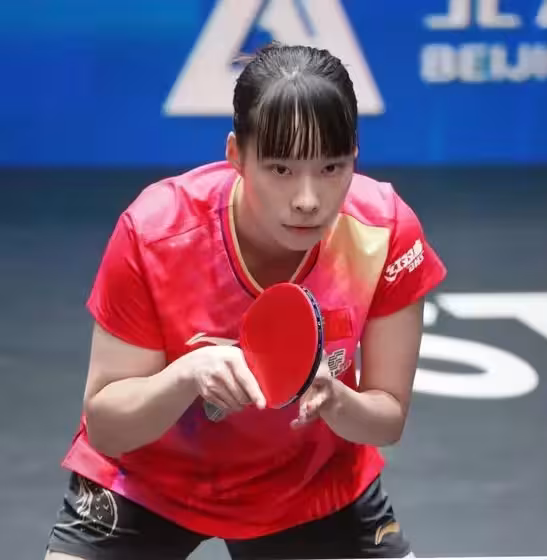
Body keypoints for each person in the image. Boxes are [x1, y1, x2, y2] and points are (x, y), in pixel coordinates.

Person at [44, 43, 447, 560]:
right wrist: (187, 375)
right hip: (146, 484)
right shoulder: (156, 233)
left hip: (310, 488)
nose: (307, 199)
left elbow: (387, 419)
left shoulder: (384, 230)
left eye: (331, 167)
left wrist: (336, 401)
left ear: (354, 156)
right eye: (280, 169)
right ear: (236, 155)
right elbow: (106, 426)